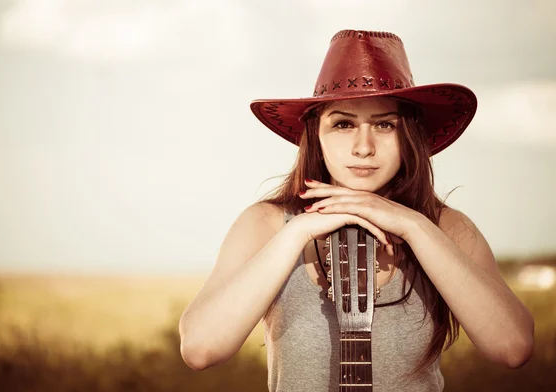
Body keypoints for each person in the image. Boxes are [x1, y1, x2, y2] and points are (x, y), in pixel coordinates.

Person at [178, 29, 534, 391]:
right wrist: (298, 232)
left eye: (384, 125)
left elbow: (512, 348)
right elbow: (200, 349)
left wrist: (414, 226)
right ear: (316, 134)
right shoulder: (268, 223)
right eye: (344, 124)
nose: (364, 147)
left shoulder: (447, 227)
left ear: (408, 135)